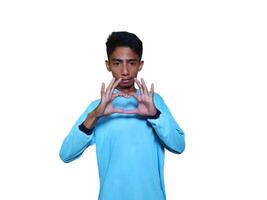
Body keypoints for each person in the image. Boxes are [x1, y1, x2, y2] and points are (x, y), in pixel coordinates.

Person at [59, 31, 185, 200]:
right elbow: (66, 154)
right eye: (117, 63)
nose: (125, 71)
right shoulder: (97, 108)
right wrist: (94, 116)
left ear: (140, 65)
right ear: (108, 65)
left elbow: (179, 146)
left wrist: (154, 115)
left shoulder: (154, 102)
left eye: (131, 63)